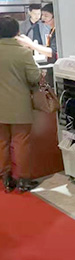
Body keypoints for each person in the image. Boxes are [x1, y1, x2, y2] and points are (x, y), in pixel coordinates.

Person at [0, 16, 41, 193]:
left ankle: (6, 177)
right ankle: (23, 179)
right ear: (17, 32)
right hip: (18, 105)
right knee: (21, 142)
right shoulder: (23, 53)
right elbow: (34, 77)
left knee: (1, 141)